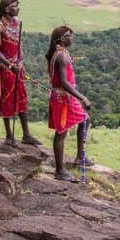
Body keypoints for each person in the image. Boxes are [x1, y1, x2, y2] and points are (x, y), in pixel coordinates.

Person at [45, 26, 91, 181]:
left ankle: (79, 157)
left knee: (85, 119)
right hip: (63, 99)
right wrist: (82, 98)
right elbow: (64, 82)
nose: (72, 38)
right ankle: (59, 171)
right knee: (61, 133)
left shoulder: (60, 53)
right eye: (68, 36)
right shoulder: (62, 56)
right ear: (61, 39)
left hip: (65, 98)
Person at [0, 0, 40, 147]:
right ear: (6, 9)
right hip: (6, 69)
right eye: (15, 6)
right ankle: (9, 136)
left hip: (17, 67)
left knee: (21, 99)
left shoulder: (17, 23)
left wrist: (20, 61)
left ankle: (26, 135)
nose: (18, 8)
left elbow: (18, 46)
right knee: (6, 100)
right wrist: (9, 64)